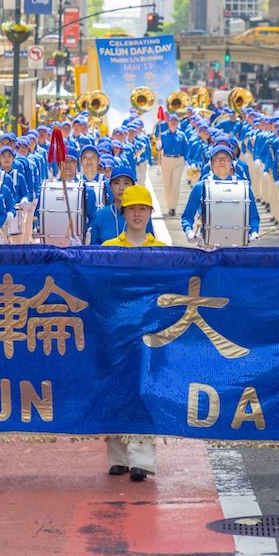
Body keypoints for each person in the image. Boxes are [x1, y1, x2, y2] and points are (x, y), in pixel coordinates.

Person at [101, 184, 167, 482]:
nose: (137, 214)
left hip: (149, 334)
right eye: (132, 209)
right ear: (123, 212)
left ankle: (141, 459)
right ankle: (117, 456)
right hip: (115, 332)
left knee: (143, 391)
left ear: (150, 212)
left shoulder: (164, 252)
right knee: (115, 391)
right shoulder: (107, 250)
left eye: (143, 209)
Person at [181, 145, 260, 246]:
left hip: (237, 246)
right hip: (207, 246)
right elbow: (187, 216)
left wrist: (254, 232)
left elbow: (254, 216)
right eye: (218, 158)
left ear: (231, 163)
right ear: (211, 163)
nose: (222, 162)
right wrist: (189, 232)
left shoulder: (244, 187)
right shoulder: (200, 187)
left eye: (226, 159)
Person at [88, 167, 153, 244]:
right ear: (110, 186)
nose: (121, 188)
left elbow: (150, 246)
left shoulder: (141, 215)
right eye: (116, 183)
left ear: (133, 186)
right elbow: (94, 251)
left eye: (126, 183)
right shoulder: (100, 215)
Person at [157, 114, 189, 216]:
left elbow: (186, 149)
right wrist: (158, 145)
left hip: (178, 160)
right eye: (171, 121)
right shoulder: (163, 135)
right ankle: (169, 205)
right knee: (167, 185)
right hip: (166, 159)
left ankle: (173, 207)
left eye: (175, 120)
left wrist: (187, 161)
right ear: (168, 122)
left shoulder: (182, 135)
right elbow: (159, 148)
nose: (173, 122)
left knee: (175, 184)